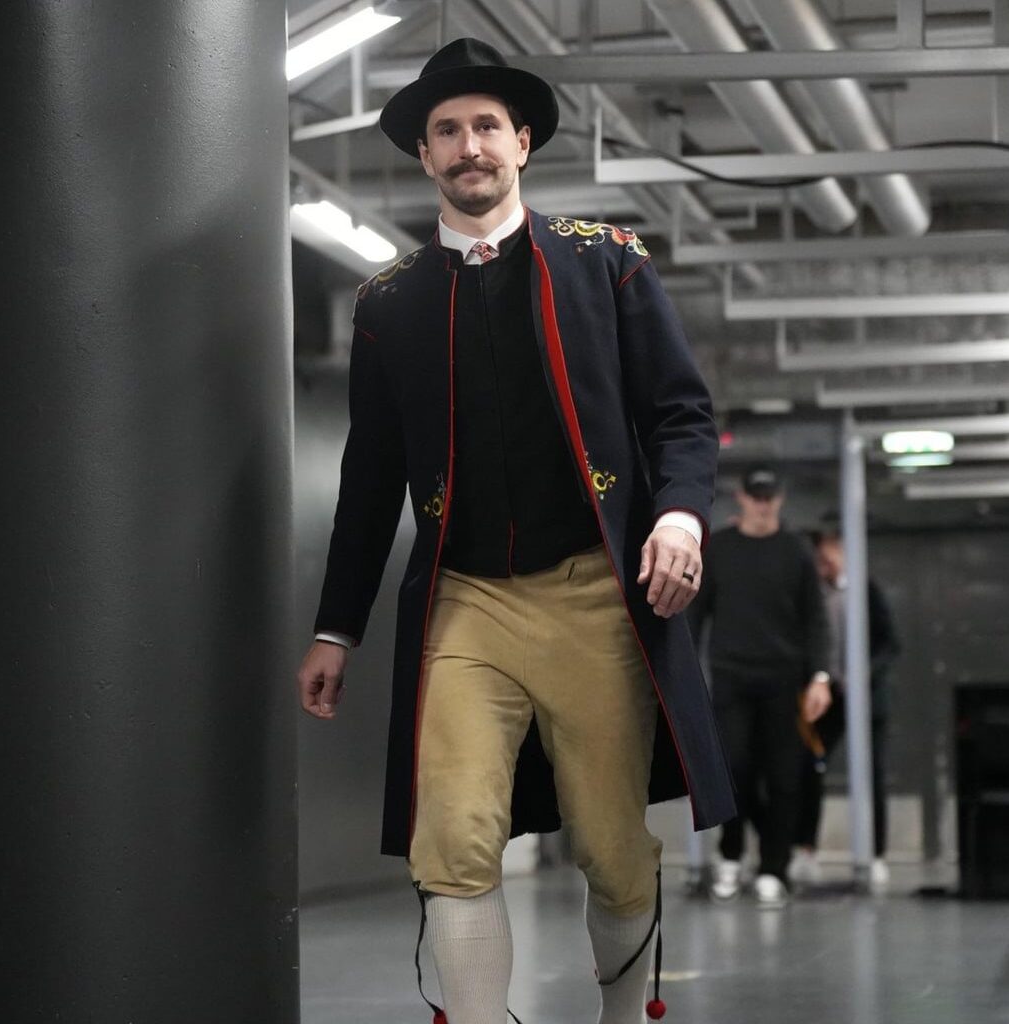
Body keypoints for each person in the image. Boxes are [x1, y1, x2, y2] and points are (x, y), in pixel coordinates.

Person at [296, 37, 735, 1024]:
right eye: (445, 131)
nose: (467, 146)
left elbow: (680, 414)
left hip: (593, 593)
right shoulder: (389, 302)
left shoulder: (606, 263)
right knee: (449, 837)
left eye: (486, 125)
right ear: (425, 157)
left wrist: (678, 514)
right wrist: (338, 628)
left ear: (522, 141)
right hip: (465, 602)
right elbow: (368, 480)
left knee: (615, 846)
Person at [687, 465, 831, 908]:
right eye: (756, 495)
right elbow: (696, 616)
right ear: (743, 498)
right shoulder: (720, 549)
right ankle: (730, 855)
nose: (763, 503)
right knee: (734, 770)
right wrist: (686, 676)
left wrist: (819, 678)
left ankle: (774, 867)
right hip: (732, 675)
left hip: (784, 678)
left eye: (769, 496)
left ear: (780, 498)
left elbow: (815, 620)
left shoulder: (796, 551)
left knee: (786, 777)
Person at [790, 530, 900, 889]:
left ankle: (877, 854)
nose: (824, 567)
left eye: (828, 559)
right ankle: (805, 850)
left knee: (873, 774)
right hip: (828, 697)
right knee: (810, 769)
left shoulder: (865, 590)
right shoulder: (812, 595)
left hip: (867, 697)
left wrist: (864, 673)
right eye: (818, 562)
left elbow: (890, 642)